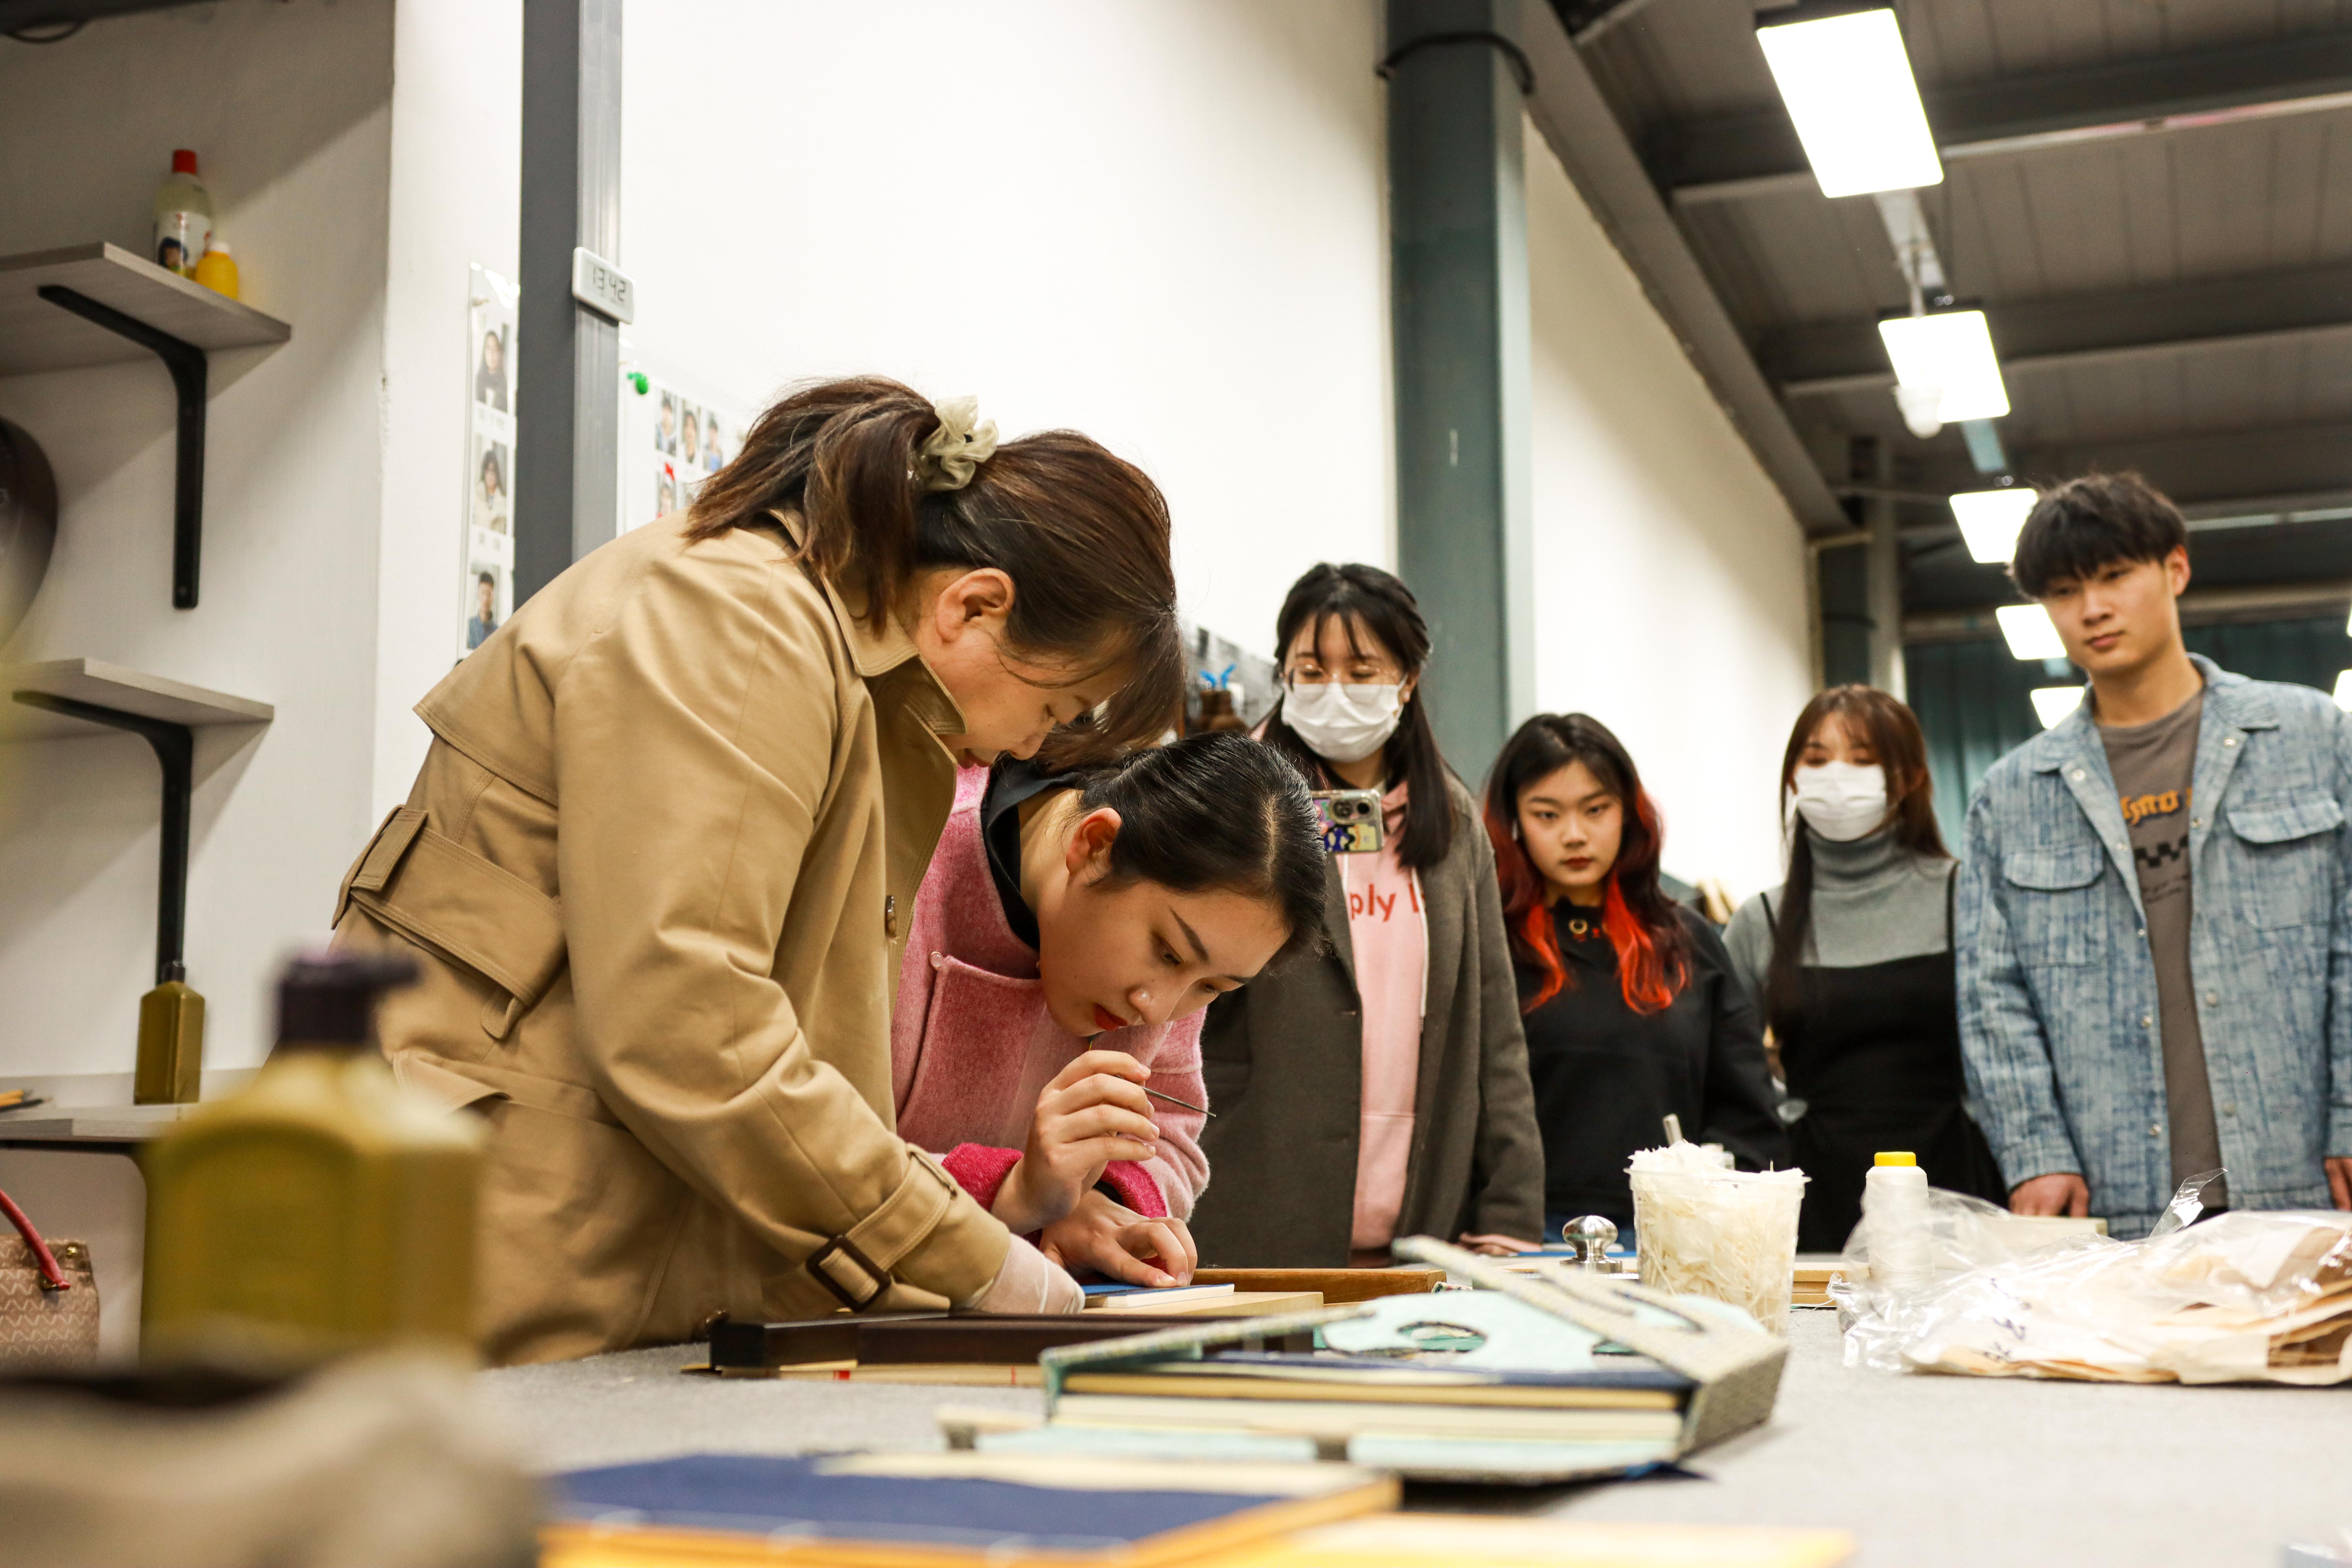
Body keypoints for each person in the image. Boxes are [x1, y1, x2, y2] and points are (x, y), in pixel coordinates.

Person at [331, 377, 1185, 1363]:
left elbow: (784, 1052)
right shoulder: (743, 621)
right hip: (488, 1234)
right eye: (1065, 703)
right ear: (973, 606)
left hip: (584, 1228)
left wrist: (969, 1230)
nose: (1047, 741)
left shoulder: (846, 672)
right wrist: (967, 1254)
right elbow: (692, 1022)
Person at [1959, 472, 2352, 1236]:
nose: (2092, 608)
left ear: (2174, 568)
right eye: (2065, 590)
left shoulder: (2313, 739)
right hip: (2113, 1196)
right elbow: (1990, 997)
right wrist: (2035, 1148)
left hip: (2298, 1174)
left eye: (2114, 576)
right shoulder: (2011, 795)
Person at [1189, 564, 1544, 1266]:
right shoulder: (1231, 797)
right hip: (1250, 1201)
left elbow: (1494, 1026)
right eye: (1312, 670)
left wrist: (1509, 1210)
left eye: (1362, 669)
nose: (1335, 691)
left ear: (1407, 680)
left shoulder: (1453, 824)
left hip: (1416, 1223)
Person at [895, 733, 1326, 1287]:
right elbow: (820, 1150)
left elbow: (1169, 1135)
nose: (1158, 1009)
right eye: (1167, 952)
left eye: (1212, 987)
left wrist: (1097, 1202)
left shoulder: (1180, 951)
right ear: (1095, 845)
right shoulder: (909, 863)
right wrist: (1015, 1191)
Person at [1723, 687, 2005, 1253]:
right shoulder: (1763, 920)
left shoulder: (1966, 895)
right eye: (1817, 758)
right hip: (1814, 1193)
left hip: (1955, 1181)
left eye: (1863, 758)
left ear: (1908, 778)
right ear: (1793, 778)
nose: (1837, 777)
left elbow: (2013, 1047)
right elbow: (1722, 1072)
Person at [1488, 713, 1787, 1241]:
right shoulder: (1490, 941)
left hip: (1674, 1232)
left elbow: (1747, 1111)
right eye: (1547, 815)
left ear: (1630, 812)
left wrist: (1711, 1209)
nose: (1574, 835)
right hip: (1521, 1237)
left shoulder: (1688, 941)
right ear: (1514, 822)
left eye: (1596, 810)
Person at [472, 446, 508, 535]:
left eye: (493, 472)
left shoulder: (504, 502)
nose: (490, 476)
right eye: (488, 472)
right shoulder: (475, 497)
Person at [464, 570, 498, 651]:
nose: (486, 599)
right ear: (478, 595)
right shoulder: (469, 626)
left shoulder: (498, 632)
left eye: (489, 594)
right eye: (483, 593)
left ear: (493, 597)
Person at [475, 329, 508, 411]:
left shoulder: (504, 384)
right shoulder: (479, 379)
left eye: (495, 349)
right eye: (489, 348)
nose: (492, 354)